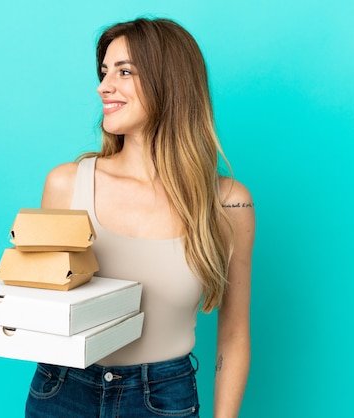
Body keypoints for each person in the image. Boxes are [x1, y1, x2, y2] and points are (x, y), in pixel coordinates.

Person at [25, 17, 254, 418]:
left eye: (124, 71)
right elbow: (42, 305)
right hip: (64, 389)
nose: (103, 86)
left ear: (170, 82)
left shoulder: (228, 203)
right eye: (103, 72)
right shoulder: (66, 185)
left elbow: (234, 333)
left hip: (162, 398)